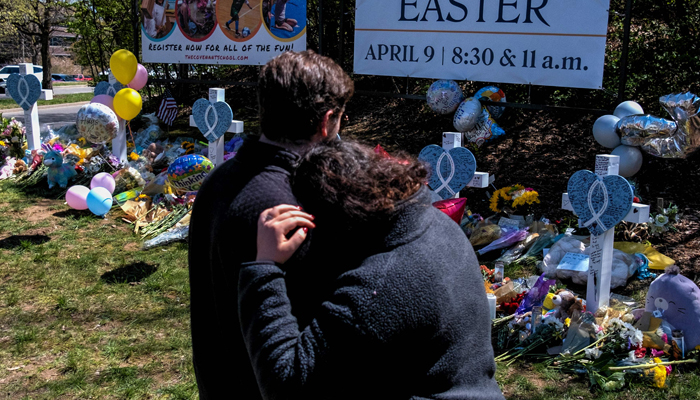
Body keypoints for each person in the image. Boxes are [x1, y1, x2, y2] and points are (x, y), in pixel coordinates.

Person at [239, 140, 505, 400]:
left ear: (334, 221)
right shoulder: (437, 224)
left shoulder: (378, 286)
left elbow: (285, 384)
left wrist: (265, 266)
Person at [188, 50, 354, 400]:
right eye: (341, 119)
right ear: (327, 122)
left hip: (218, 380)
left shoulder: (217, 181)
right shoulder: (295, 208)